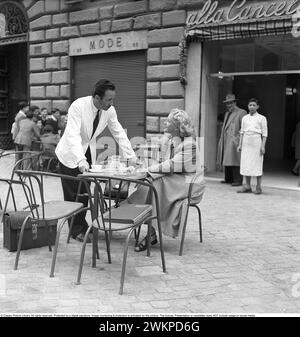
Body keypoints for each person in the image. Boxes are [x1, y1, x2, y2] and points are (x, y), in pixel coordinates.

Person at [55, 79, 137, 242]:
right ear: (97, 97)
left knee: (85, 191)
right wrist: (80, 160)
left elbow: (118, 132)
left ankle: (82, 224)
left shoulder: (109, 110)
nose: (111, 103)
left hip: (87, 150)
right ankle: (75, 229)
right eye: (109, 99)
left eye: (113, 99)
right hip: (70, 153)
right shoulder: (78, 106)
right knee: (73, 193)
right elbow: (72, 135)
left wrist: (131, 156)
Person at [128, 108, 205, 252]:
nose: (164, 122)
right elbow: (161, 162)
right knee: (150, 183)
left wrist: (146, 171)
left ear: (177, 127)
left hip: (190, 184)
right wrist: (144, 167)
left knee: (155, 184)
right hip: (176, 179)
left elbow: (170, 166)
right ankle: (149, 230)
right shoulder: (170, 141)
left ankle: (130, 210)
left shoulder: (190, 144)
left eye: (168, 121)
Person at [237, 98, 268, 195]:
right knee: (246, 163)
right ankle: (247, 186)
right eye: (250, 105)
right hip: (246, 141)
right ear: (248, 106)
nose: (252, 107)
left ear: (257, 106)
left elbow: (264, 133)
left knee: (257, 164)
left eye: (254, 105)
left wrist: (263, 146)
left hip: (256, 142)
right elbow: (242, 132)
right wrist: (240, 144)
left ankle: (258, 187)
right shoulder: (245, 118)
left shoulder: (262, 118)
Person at [217, 94, 247, 186]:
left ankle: (238, 180)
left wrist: (238, 138)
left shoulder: (241, 112)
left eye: (230, 103)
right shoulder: (227, 113)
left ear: (235, 102)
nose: (228, 105)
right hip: (226, 139)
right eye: (227, 104)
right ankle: (228, 179)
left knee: (235, 160)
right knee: (227, 159)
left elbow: (244, 127)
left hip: (234, 139)